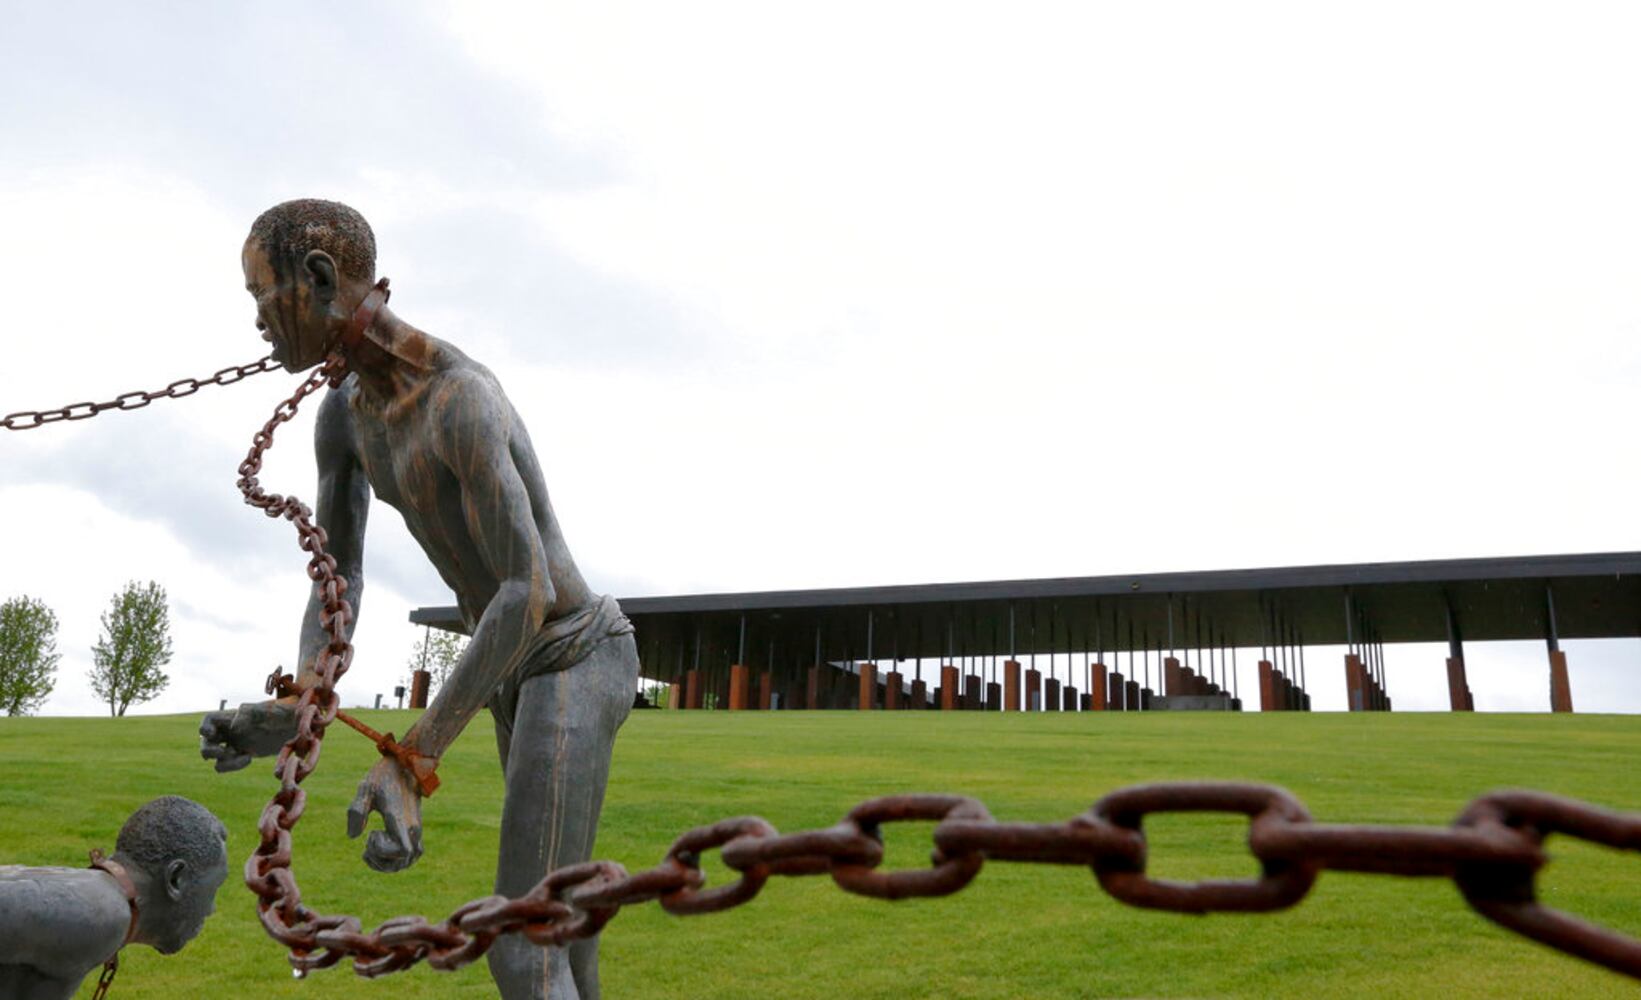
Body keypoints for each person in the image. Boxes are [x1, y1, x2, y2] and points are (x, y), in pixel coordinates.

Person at [198, 199, 639, 1000]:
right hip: (513, 665)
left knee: (523, 943)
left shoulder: (458, 399)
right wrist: (303, 700)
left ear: (321, 278)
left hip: (574, 652)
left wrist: (413, 759)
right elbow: (340, 578)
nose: (258, 319)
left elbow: (526, 588)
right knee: (561, 922)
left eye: (262, 293)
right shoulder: (344, 416)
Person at [0, 796, 228, 1000]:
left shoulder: (100, 902)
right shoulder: (102, 912)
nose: (210, 909)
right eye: (213, 888)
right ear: (177, 879)